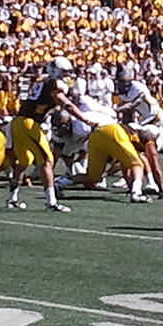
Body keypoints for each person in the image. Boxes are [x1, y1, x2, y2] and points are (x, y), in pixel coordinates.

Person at [8, 56, 98, 212]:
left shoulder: (42, 82)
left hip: (19, 122)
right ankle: (51, 202)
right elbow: (67, 105)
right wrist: (85, 119)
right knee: (47, 161)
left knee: (24, 160)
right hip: (28, 124)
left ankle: (12, 198)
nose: (66, 76)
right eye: (64, 72)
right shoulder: (53, 84)